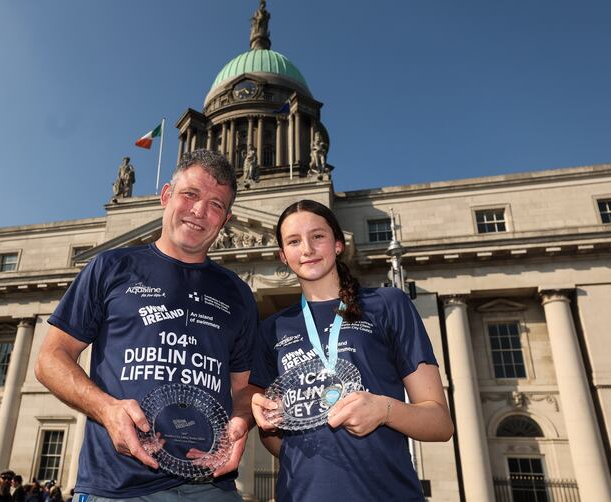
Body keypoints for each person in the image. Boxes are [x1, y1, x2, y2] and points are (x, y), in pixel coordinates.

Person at [36, 149, 258, 501]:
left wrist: (242, 420)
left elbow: (244, 389)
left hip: (210, 485)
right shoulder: (110, 267)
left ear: (227, 219)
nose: (200, 211)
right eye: (190, 195)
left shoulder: (239, 294)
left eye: (216, 205)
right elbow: (50, 358)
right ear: (167, 195)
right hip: (118, 486)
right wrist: (106, 409)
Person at [249, 200, 454, 501]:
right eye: (294, 241)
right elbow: (279, 443)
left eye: (317, 236)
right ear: (283, 256)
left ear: (338, 244)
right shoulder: (273, 329)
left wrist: (384, 410)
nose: (306, 248)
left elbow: (440, 423)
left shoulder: (388, 304)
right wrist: (268, 422)